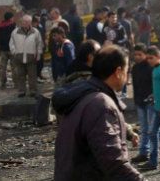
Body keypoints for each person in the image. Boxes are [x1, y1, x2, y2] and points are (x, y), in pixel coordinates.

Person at [53, 45, 144, 180]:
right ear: (118, 72)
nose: (127, 76)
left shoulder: (85, 96)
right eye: (127, 70)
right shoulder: (100, 104)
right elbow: (113, 161)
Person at [130, 44, 160, 164]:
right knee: (144, 129)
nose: (137, 57)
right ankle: (144, 152)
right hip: (140, 102)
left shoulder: (152, 68)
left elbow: (158, 87)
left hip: (151, 102)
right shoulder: (135, 69)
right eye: (135, 55)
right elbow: (135, 86)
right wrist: (136, 101)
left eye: (140, 55)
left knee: (154, 128)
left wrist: (155, 99)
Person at [10, 15, 43, 98]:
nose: (23, 23)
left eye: (25, 22)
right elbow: (11, 43)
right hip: (19, 56)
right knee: (20, 75)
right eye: (22, 21)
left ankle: (33, 90)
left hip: (31, 56)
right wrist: (14, 52)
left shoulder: (35, 32)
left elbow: (39, 43)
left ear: (29, 23)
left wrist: (38, 53)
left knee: (32, 75)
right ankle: (21, 91)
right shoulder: (15, 32)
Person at [0, 12, 16, 89]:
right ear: (10, 18)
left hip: (3, 49)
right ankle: (16, 83)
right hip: (11, 49)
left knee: (3, 67)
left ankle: (2, 82)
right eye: (12, 17)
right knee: (14, 67)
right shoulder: (13, 25)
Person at [32, 15, 47, 81]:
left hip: (41, 46)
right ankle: (34, 76)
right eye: (37, 21)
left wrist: (45, 41)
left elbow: (44, 34)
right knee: (35, 63)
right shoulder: (31, 28)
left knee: (41, 62)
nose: (38, 23)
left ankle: (39, 74)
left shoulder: (40, 27)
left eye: (39, 21)